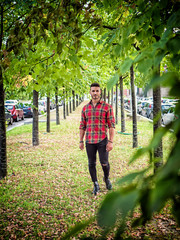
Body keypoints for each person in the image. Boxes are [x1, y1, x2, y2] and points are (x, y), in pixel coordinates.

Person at [79, 83, 115, 195]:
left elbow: (111, 125)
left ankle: (106, 178)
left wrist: (110, 141)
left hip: (102, 140)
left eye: (97, 91)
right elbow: (82, 126)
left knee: (104, 163)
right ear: (90, 92)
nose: (95, 93)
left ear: (100, 92)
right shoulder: (85, 108)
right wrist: (81, 140)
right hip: (89, 140)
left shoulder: (107, 107)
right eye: (93, 91)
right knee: (91, 163)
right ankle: (95, 184)